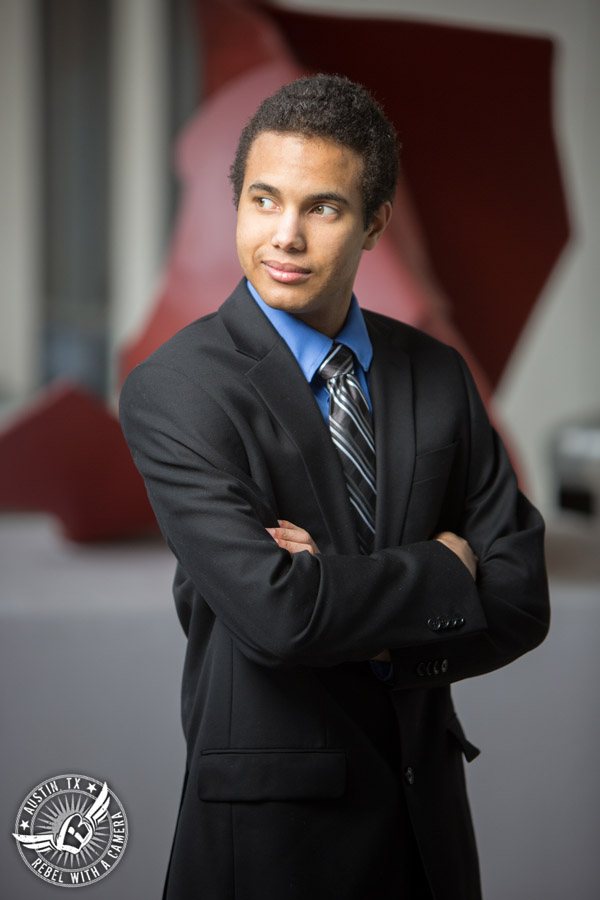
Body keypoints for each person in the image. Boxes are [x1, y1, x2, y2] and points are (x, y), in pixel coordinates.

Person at [120, 74, 549, 900]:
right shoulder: (176, 389)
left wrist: (336, 595)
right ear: (237, 203)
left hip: (429, 833)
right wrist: (446, 568)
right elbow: (279, 615)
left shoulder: (437, 374)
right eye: (263, 199)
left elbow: (522, 598)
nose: (285, 235)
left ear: (374, 223)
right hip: (274, 841)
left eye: (322, 207)